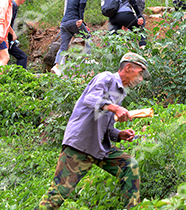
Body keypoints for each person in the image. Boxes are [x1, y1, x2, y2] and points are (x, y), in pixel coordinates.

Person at [35, 52, 149, 210]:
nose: (140, 79)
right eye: (140, 73)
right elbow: (90, 99)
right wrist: (115, 108)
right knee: (58, 194)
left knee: (129, 166)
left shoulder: (119, 93)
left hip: (99, 147)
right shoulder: (106, 78)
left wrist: (119, 134)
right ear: (128, 67)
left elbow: (106, 127)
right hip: (80, 145)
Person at [52, 0, 92, 76]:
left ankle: (57, 66)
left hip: (64, 23)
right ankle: (88, 60)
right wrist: (81, 20)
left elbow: (72, 11)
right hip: (75, 22)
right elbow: (81, 9)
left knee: (63, 46)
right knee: (88, 38)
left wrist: (84, 24)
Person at [7, 0, 28, 69]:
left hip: (4, 37)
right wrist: (13, 34)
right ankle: (19, 78)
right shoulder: (13, 5)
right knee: (22, 57)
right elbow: (6, 22)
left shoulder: (13, 5)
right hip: (2, 37)